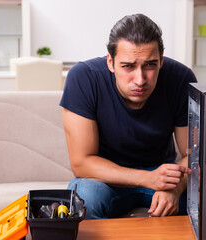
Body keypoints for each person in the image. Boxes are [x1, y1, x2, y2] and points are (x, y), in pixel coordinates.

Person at [59, 13, 197, 219]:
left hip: (161, 176)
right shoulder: (84, 78)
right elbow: (81, 163)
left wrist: (174, 188)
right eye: (128, 66)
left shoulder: (181, 79)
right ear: (110, 62)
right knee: (85, 197)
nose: (140, 79)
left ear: (161, 60)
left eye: (150, 65)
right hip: (104, 179)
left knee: (204, 201)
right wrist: (147, 178)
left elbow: (194, 155)